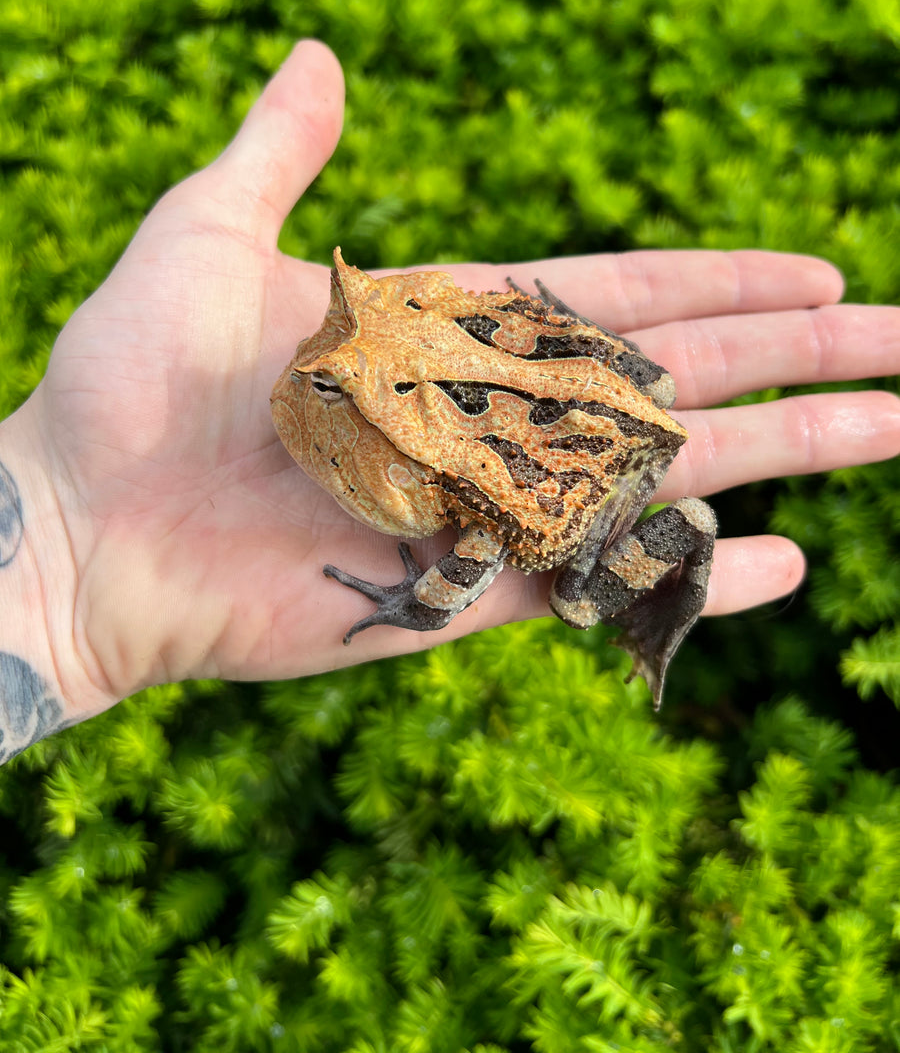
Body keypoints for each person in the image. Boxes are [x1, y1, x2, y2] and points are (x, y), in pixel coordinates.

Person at [1, 40, 898, 764]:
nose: (317, 366)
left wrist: (411, 606)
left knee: (574, 602)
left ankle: (686, 535)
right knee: (649, 387)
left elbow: (476, 552)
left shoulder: (444, 463)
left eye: (340, 387)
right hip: (617, 395)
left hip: (579, 496)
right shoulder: (424, 332)